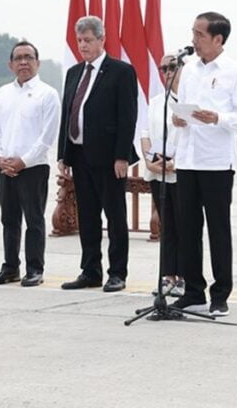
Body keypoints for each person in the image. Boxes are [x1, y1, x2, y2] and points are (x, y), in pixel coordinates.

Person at [171, 12, 237, 317]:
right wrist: (179, 118)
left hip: (216, 163)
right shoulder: (189, 70)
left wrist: (218, 117)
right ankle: (193, 291)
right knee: (187, 228)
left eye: (200, 35)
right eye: (193, 32)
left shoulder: (235, 71)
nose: (194, 39)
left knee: (218, 230)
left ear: (218, 39)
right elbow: (184, 109)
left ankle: (220, 294)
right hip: (188, 159)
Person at [57, 16, 138, 293]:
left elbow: (127, 117)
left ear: (102, 40)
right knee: (88, 217)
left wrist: (122, 156)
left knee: (115, 217)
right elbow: (68, 114)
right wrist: (63, 155)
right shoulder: (73, 73)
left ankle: (117, 272)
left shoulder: (121, 72)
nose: (83, 45)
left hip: (108, 158)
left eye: (88, 40)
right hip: (79, 155)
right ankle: (90, 270)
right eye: (79, 40)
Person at [0, 41, 60, 287]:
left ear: (37, 63)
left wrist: (24, 161)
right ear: (10, 64)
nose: (23, 62)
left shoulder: (47, 94)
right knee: (9, 220)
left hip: (33, 168)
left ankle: (34, 269)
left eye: (29, 57)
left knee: (34, 220)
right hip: (5, 167)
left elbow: (47, 136)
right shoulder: (4, 92)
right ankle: (10, 267)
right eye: (18, 58)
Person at [140, 54, 183, 297]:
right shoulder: (156, 102)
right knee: (166, 226)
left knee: (184, 227)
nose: (167, 72)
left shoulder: (188, 101)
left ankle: (184, 277)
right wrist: (149, 159)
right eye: (163, 68)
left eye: (172, 67)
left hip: (180, 172)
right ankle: (168, 276)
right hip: (158, 172)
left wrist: (175, 164)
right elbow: (145, 132)